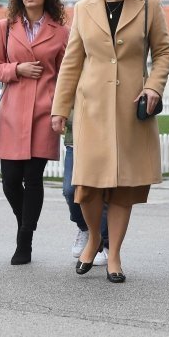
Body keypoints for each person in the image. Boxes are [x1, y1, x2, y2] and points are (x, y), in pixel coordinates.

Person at [51, 0, 169, 284]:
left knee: (122, 188)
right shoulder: (84, 8)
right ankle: (93, 236)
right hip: (91, 109)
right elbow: (72, 61)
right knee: (86, 187)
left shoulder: (149, 5)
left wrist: (154, 87)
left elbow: (164, 52)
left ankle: (114, 253)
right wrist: (60, 109)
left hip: (131, 109)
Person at [0, 0, 69, 265]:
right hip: (11, 112)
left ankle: (25, 240)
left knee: (33, 179)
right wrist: (17, 69)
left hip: (44, 113)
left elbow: (65, 74)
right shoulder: (5, 27)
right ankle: (26, 224)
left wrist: (62, 108)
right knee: (10, 182)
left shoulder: (61, 32)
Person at [62, 110, 108, 267]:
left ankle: (105, 243)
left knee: (105, 191)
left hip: (106, 138)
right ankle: (85, 228)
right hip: (76, 141)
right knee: (70, 191)